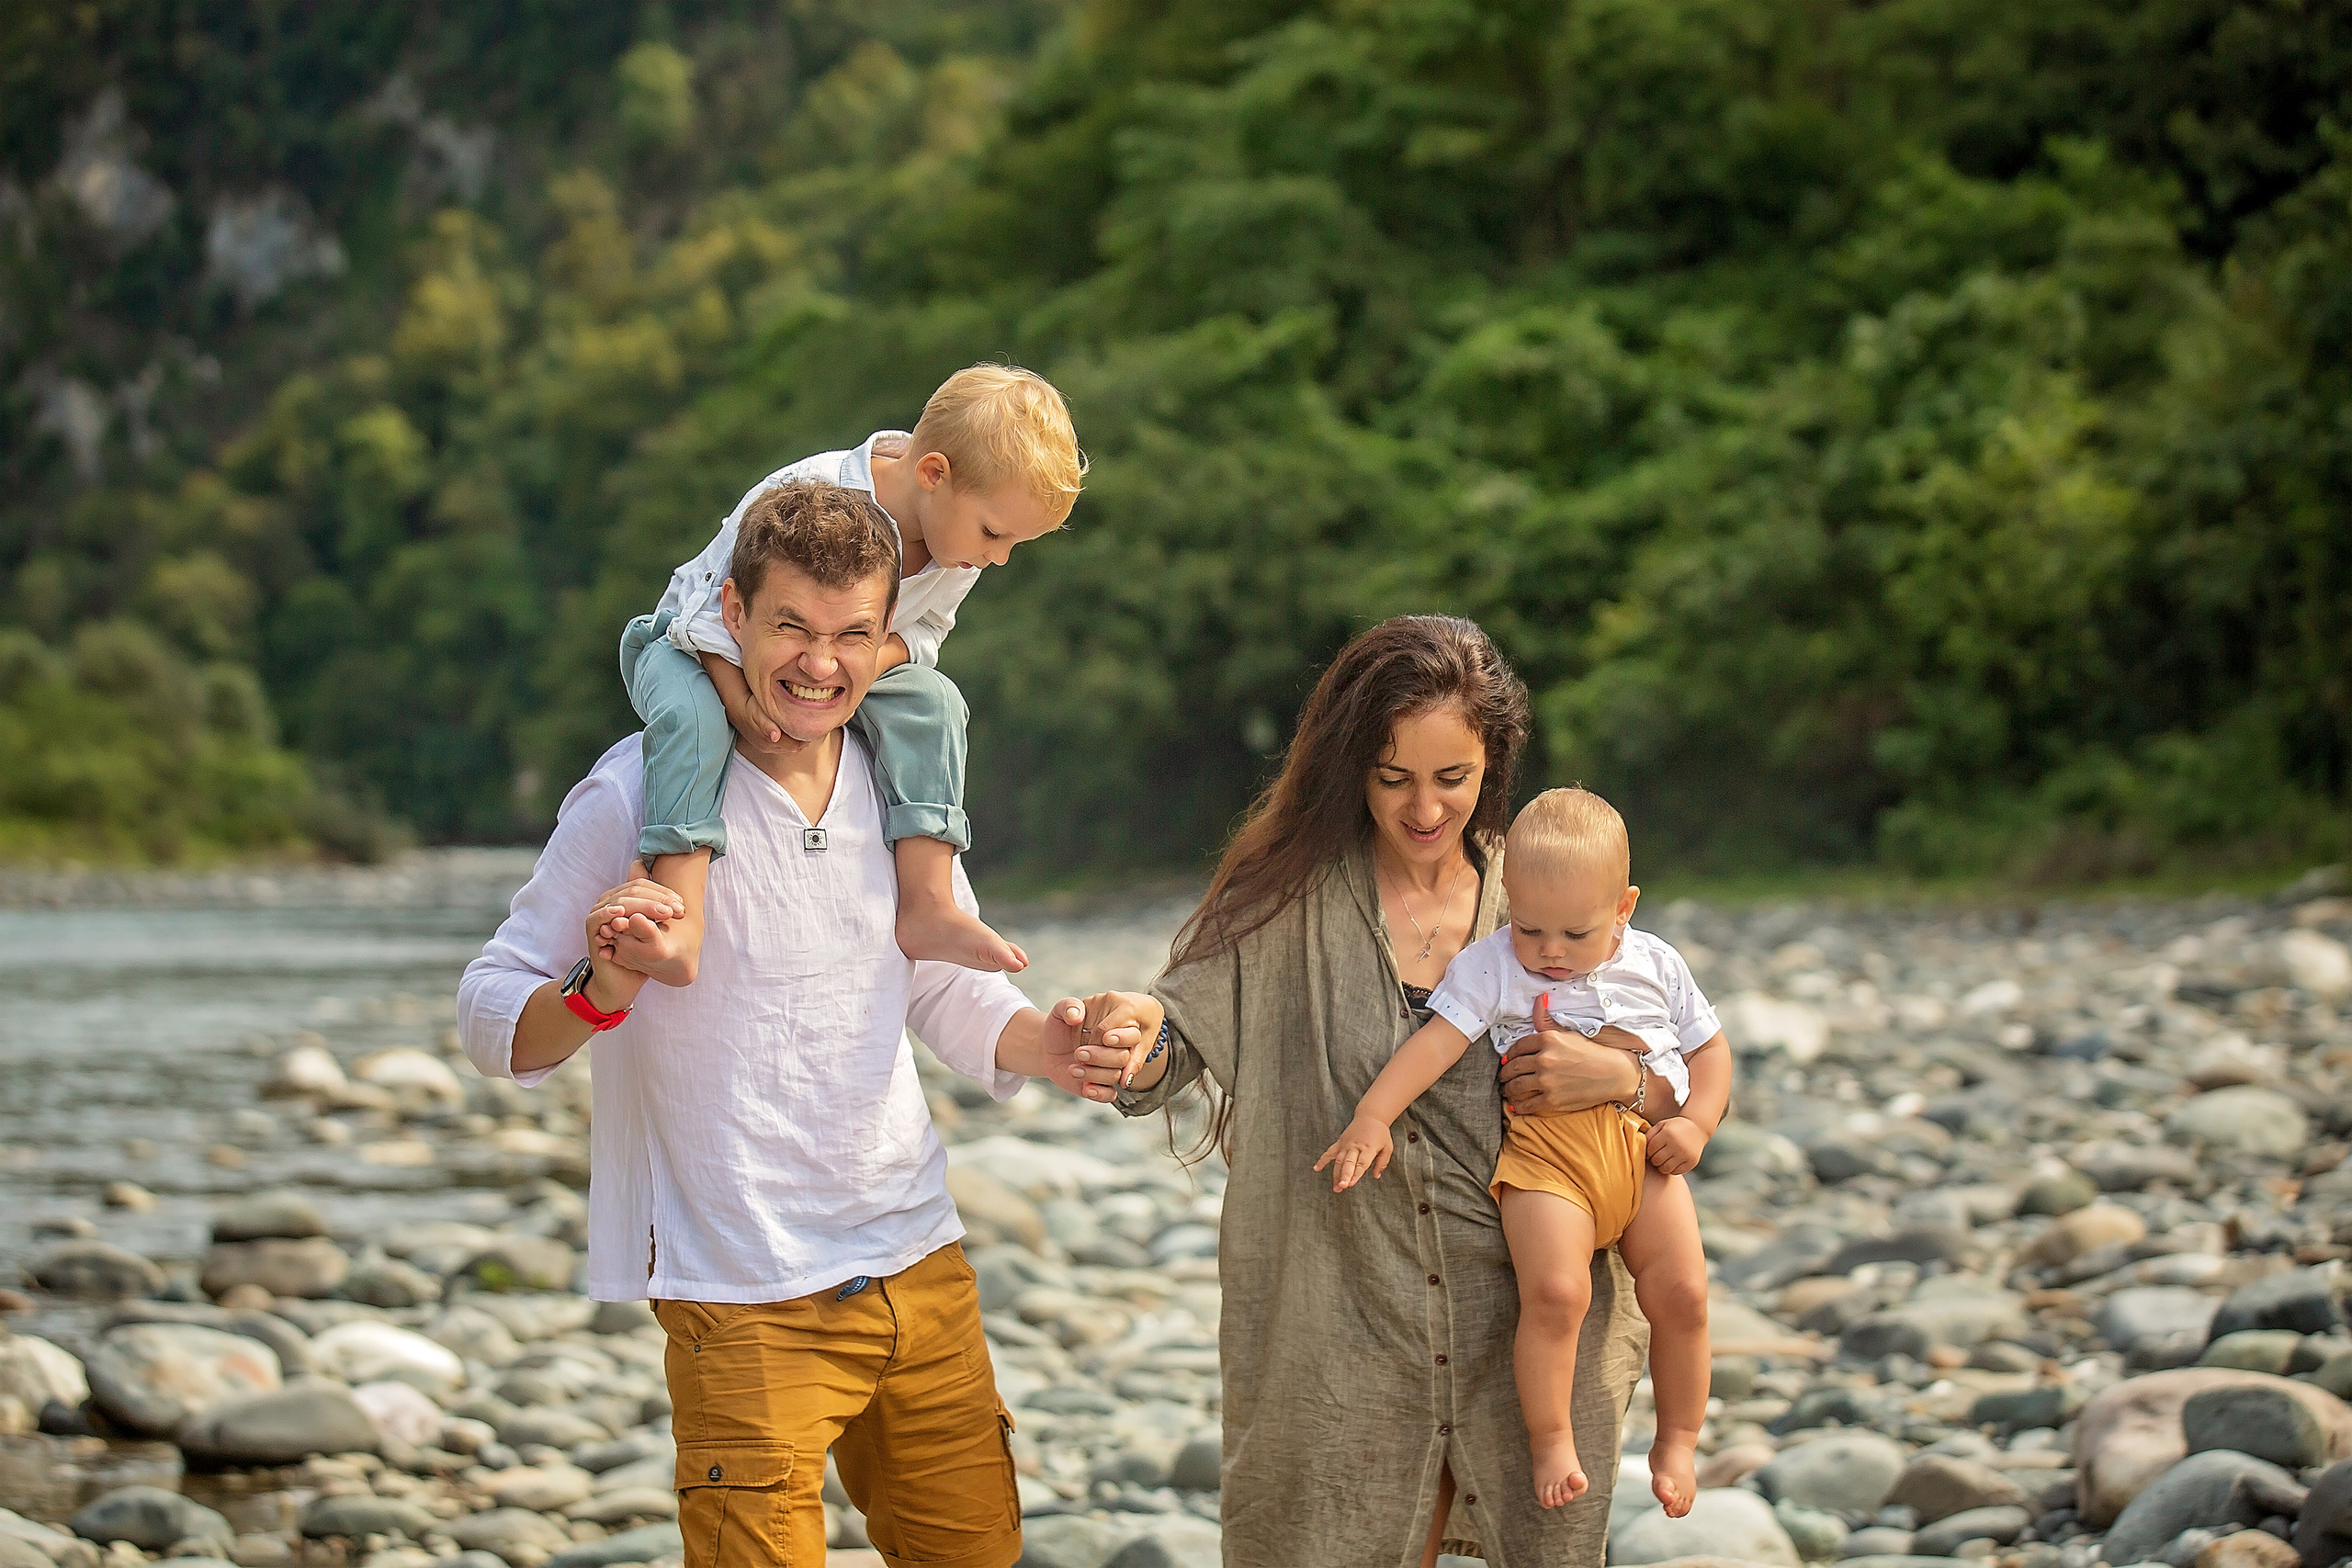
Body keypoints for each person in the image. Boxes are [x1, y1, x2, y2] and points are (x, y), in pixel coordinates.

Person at [457, 480, 1144, 1568]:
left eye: (850, 636)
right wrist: (603, 985)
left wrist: (1042, 1047)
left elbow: (925, 978)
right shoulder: (633, 794)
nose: (820, 665)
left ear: (888, 639)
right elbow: (490, 1015)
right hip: (739, 1290)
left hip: (916, 1259)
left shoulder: (900, 780)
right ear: (729, 615)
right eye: (791, 628)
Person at [1069, 616, 1697, 1568]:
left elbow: (1684, 1090)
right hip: (1339, 1317)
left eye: (1453, 778)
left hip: (1527, 1319)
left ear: (1494, 764)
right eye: (1392, 777)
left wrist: (1628, 1080)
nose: (1424, 809)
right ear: (1349, 765)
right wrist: (1132, 1037)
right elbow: (1175, 1037)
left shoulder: (1547, 904)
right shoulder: (1279, 898)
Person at [1318, 787, 1730, 1515]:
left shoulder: (1658, 964)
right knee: (1555, 1294)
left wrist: (1695, 1123)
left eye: (1576, 933)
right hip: (1548, 1162)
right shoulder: (1494, 965)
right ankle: (1550, 1439)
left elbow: (1712, 1050)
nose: (1549, 951)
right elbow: (1435, 1044)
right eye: (1532, 926)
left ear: (1624, 908)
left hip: (1643, 1153)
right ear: (1511, 898)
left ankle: (1678, 1438)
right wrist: (1373, 1114)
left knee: (1686, 1296)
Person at [616, 363, 1085, 980]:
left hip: (833, 669)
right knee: (694, 718)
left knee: (935, 702)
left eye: (1013, 546)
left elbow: (921, 633)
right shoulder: (806, 493)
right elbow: (707, 611)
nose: (997, 558)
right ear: (933, 474)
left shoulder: (959, 550)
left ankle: (928, 901)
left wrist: (861, 665)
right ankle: (681, 906)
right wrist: (738, 704)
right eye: (994, 533)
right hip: (695, 647)